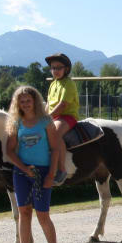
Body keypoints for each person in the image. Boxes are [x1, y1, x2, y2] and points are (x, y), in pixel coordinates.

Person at [5, 85, 62, 243]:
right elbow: (10, 151)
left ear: (35, 101)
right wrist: (23, 168)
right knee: (24, 212)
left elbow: (55, 149)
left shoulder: (45, 121)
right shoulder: (16, 123)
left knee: (43, 215)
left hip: (43, 172)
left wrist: (51, 175)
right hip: (21, 173)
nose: (25, 104)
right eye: (21, 101)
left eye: (28, 100)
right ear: (17, 104)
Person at [44, 52, 78, 182]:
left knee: (55, 132)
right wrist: (43, 116)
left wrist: (47, 118)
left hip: (67, 116)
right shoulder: (53, 84)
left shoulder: (68, 83)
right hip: (54, 117)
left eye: (59, 68)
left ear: (66, 69)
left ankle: (62, 169)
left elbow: (63, 105)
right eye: (53, 68)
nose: (55, 71)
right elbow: (48, 104)